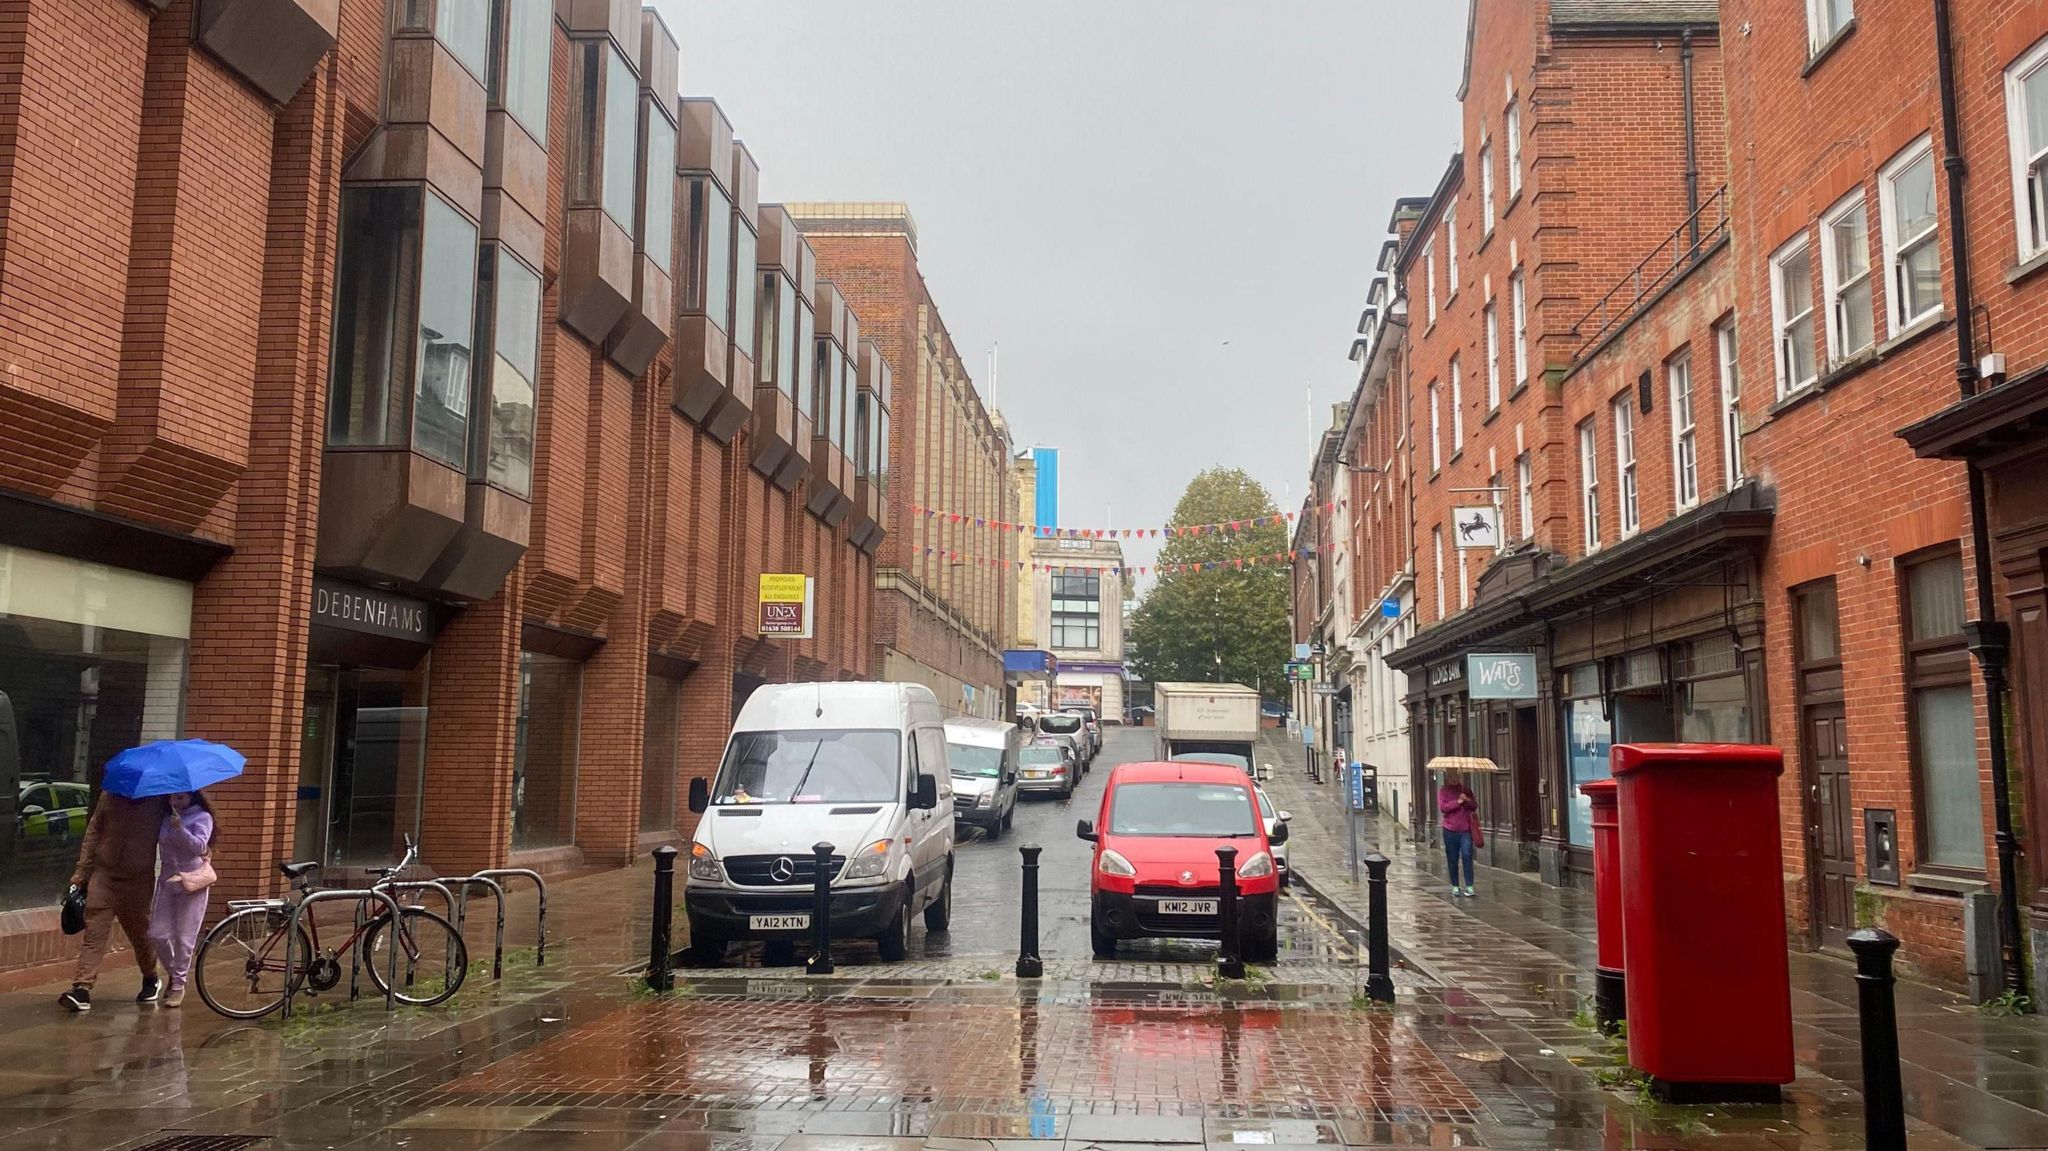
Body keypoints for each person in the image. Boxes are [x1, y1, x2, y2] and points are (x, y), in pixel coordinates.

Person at [62, 791, 169, 1011]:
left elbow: (175, 833)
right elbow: (93, 832)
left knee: (139, 933)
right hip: (104, 875)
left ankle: (150, 978)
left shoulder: (160, 799)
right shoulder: (110, 795)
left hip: (137, 880)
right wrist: (81, 874)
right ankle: (82, 988)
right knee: (94, 931)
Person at [149, 791, 216, 1008]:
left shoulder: (202, 817)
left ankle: (178, 985)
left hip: (192, 881)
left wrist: (181, 829)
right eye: (172, 798)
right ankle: (174, 973)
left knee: (184, 937)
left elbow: (199, 847)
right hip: (168, 880)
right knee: (157, 933)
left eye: (180, 798)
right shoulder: (166, 818)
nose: (175, 802)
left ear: (192, 797)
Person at [1438, 774, 1478, 898]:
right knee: (1452, 859)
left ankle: (1469, 886)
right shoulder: (1443, 791)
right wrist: (1458, 801)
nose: (1454, 779)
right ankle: (1455, 886)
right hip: (1450, 830)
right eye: (1452, 777)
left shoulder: (1465, 789)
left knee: (1467, 855)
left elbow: (1474, 806)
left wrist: (1467, 800)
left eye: (1456, 776)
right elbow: (1443, 808)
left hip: (1465, 829)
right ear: (1448, 778)